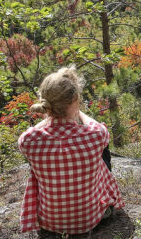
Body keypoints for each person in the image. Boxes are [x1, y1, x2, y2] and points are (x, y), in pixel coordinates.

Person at [18, 66, 124, 238]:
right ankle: (102, 202)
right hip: (90, 220)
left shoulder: (29, 141)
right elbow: (99, 127)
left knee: (40, 159)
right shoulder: (95, 135)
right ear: (75, 100)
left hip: (48, 222)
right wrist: (78, 112)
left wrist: (49, 118)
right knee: (102, 152)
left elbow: (29, 133)